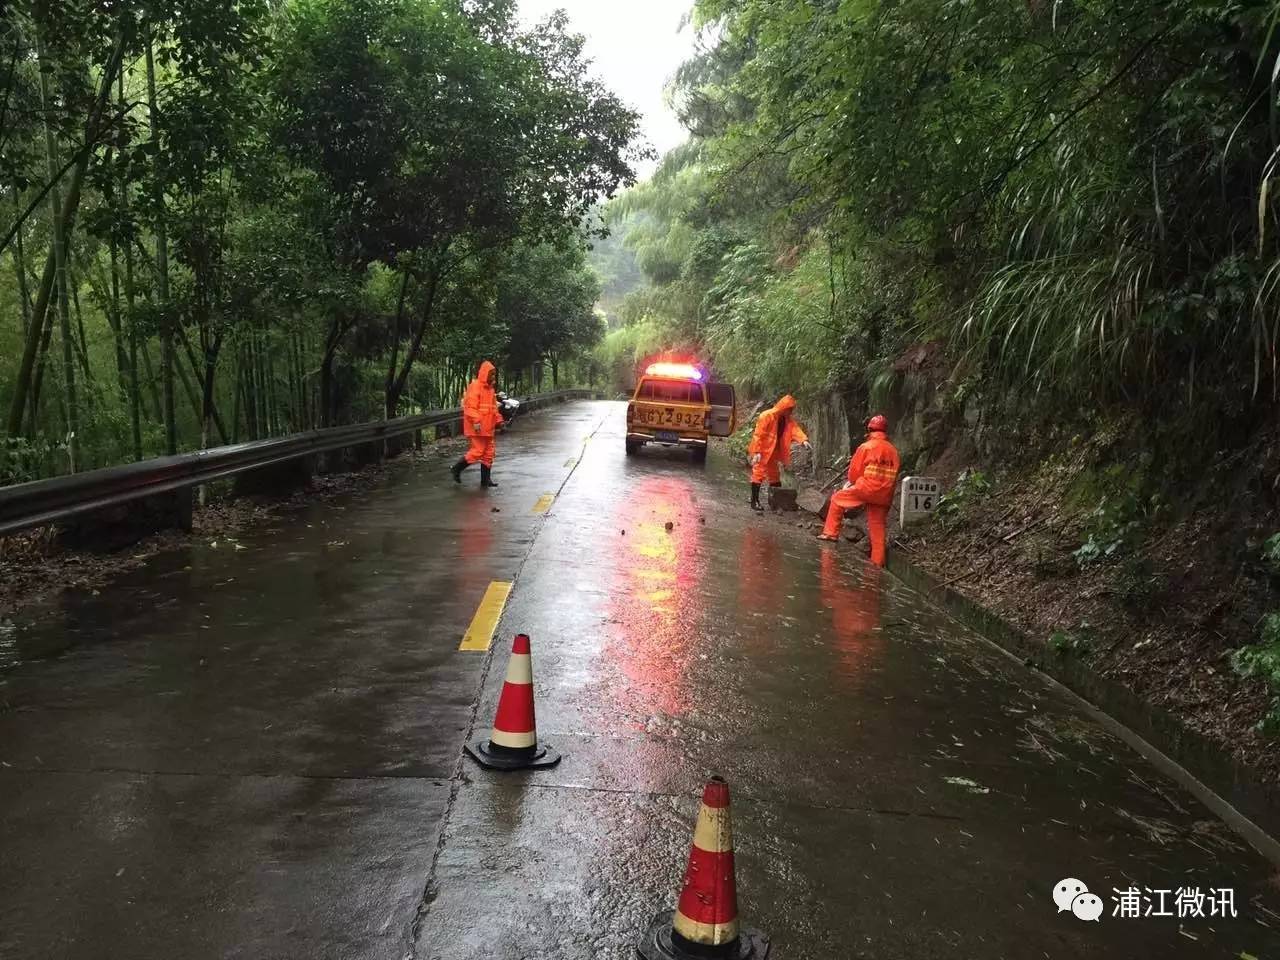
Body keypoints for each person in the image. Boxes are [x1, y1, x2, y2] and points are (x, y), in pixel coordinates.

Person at [817, 414, 900, 566]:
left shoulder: (866, 447)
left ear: (869, 429)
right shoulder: (893, 451)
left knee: (837, 499)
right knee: (877, 529)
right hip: (884, 495)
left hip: (866, 489)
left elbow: (854, 472)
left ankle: (830, 534)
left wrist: (853, 483)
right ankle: (877, 565)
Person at [747, 394, 811, 511]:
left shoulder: (787, 420)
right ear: (783, 408)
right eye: (789, 409)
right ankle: (754, 501)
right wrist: (756, 452)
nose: (790, 412)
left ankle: (775, 502)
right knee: (758, 473)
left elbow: (795, 430)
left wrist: (803, 440)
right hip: (762, 451)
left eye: (791, 410)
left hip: (773, 451)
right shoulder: (767, 416)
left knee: (774, 475)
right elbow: (758, 435)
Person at [451, 360, 504, 488]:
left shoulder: (490, 390)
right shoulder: (475, 386)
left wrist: (499, 421)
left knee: (489, 453)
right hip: (477, 427)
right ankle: (456, 469)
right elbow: (470, 407)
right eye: (491, 374)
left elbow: (493, 409)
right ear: (484, 374)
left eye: (493, 374)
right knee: (477, 452)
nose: (493, 377)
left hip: (488, 428)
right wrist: (476, 421)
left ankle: (485, 481)